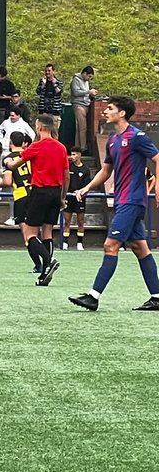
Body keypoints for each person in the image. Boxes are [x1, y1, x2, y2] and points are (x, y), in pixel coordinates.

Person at [69, 96, 159, 312]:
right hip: (121, 200)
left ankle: (93, 296)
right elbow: (105, 170)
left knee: (110, 245)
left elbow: (157, 158)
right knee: (140, 247)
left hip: (132, 200)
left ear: (122, 113)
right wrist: (87, 187)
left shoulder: (137, 137)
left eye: (110, 108)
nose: (105, 111)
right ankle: (157, 297)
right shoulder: (112, 140)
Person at [5, 114, 68, 286]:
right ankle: (44, 275)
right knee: (47, 233)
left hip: (39, 192)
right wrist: (62, 197)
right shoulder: (61, 148)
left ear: (39, 127)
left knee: (30, 234)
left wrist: (7, 162)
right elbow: (66, 176)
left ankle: (48, 261)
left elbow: (15, 165)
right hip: (56, 192)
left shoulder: (37, 146)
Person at [0, 131, 38, 269]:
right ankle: (43, 260)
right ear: (23, 143)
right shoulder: (30, 156)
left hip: (21, 196)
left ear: (10, 142)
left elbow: (8, 181)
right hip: (34, 194)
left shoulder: (9, 158)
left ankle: (40, 263)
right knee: (35, 231)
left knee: (27, 234)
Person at [63, 147, 92, 251]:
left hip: (80, 198)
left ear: (79, 155)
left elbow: (87, 185)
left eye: (74, 154)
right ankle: (65, 242)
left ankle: (79, 242)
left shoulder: (86, 170)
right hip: (69, 197)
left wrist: (80, 192)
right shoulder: (69, 167)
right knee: (67, 220)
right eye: (71, 154)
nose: (72, 157)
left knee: (80, 221)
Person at [69, 65, 97, 155]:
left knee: (79, 128)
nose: (89, 79)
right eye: (89, 76)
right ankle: (83, 147)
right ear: (84, 73)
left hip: (86, 104)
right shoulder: (76, 80)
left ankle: (78, 147)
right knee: (82, 127)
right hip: (78, 105)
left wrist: (90, 95)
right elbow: (76, 92)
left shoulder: (86, 82)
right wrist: (88, 92)